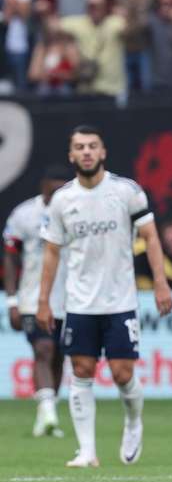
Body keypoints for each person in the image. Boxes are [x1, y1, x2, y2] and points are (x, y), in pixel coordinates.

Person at [37, 125, 172, 468]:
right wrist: (42, 300)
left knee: (122, 373)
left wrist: (160, 283)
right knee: (81, 370)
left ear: (103, 152)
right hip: (79, 301)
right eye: (80, 147)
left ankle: (133, 422)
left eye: (92, 146)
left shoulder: (127, 192)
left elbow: (151, 238)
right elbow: (51, 252)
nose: (86, 152)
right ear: (71, 155)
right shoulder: (62, 200)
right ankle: (87, 451)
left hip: (120, 300)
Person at [3, 170, 68, 437]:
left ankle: (45, 415)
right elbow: (9, 257)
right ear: (43, 187)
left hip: (70, 298)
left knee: (60, 357)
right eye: (53, 192)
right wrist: (12, 300)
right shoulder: (24, 214)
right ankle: (49, 411)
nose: (58, 197)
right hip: (33, 299)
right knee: (43, 349)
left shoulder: (76, 213)